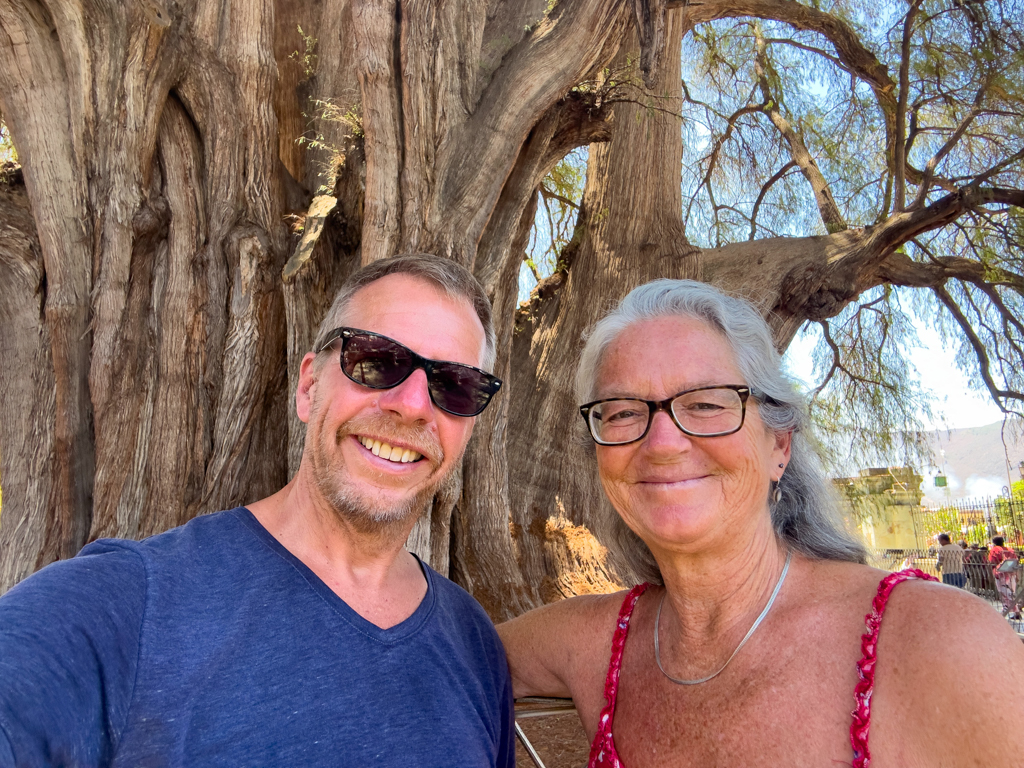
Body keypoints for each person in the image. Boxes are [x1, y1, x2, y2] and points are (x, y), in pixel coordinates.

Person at [0, 254, 514, 767]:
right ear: (309, 386)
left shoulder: (473, 643)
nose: (413, 405)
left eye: (455, 385)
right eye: (377, 360)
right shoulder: (130, 603)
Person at [498, 279, 1024, 767]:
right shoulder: (592, 641)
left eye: (706, 403)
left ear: (779, 444)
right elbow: (434, 651)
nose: (660, 444)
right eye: (621, 412)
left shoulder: (943, 648)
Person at [988, 535, 1021, 617]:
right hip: (1012, 573)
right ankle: (1012, 610)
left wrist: (991, 574)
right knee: (1011, 593)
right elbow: (1016, 560)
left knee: (1004, 592)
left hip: (1001, 574)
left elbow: (991, 562)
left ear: (994, 543)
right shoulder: (1010, 550)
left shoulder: (995, 550)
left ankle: (1008, 610)